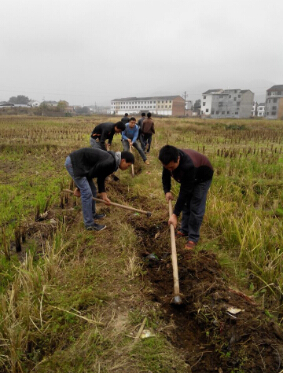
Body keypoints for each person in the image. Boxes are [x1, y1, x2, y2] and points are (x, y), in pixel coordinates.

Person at [158, 145, 213, 250]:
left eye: (172, 167)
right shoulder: (168, 160)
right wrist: (167, 190)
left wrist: (174, 214)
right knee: (186, 203)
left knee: (195, 206)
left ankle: (193, 237)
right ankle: (184, 230)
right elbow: (165, 175)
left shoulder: (189, 166)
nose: (170, 170)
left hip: (202, 178)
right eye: (167, 167)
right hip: (190, 178)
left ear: (178, 159)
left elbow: (184, 192)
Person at [65, 148, 134, 231]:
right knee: (87, 193)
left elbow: (101, 176)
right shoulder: (110, 162)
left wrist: (104, 196)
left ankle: (92, 214)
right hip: (74, 163)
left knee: (93, 190)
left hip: (83, 167)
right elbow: (93, 174)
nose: (127, 167)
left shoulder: (113, 162)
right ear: (123, 160)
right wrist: (79, 188)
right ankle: (89, 224)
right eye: (128, 165)